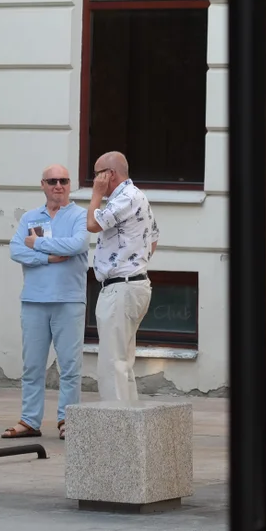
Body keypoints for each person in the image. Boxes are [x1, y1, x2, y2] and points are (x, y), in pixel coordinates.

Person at [4, 165, 89, 441]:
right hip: (34, 301)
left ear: (69, 184)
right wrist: (48, 257)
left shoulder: (80, 215)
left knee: (70, 366)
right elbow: (16, 249)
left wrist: (37, 244)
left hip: (68, 301)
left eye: (63, 180)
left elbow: (76, 245)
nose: (58, 186)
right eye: (52, 181)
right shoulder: (30, 217)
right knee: (32, 365)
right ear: (42, 184)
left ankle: (68, 419)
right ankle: (30, 420)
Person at [86, 151, 158, 402]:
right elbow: (154, 238)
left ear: (110, 174)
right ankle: (128, 425)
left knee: (111, 362)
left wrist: (96, 194)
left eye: (97, 174)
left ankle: (115, 430)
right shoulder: (138, 196)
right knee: (123, 362)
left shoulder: (125, 197)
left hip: (121, 287)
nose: (95, 179)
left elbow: (93, 224)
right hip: (131, 284)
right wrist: (135, 259)